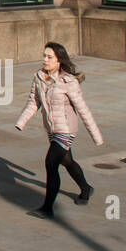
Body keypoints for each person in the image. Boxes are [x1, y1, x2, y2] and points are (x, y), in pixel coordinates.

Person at [14, 42, 103, 219]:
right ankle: (86, 188)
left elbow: (83, 109)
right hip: (52, 130)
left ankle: (47, 208)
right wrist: (21, 122)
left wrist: (96, 136)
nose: (44, 60)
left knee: (51, 163)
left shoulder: (68, 82)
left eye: (49, 57)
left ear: (59, 60)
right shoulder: (38, 77)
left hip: (66, 130)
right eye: (44, 56)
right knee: (67, 161)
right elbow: (34, 102)